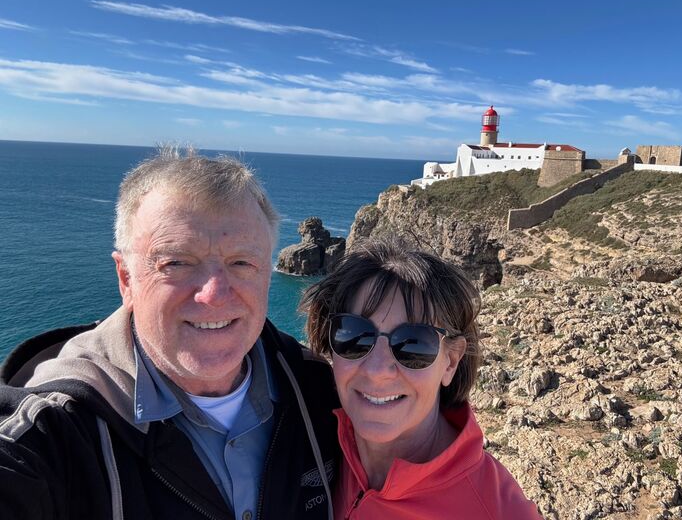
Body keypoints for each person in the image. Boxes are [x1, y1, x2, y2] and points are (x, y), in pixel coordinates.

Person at [0, 147, 339, 520]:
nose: (213, 294)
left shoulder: (320, 390)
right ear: (126, 279)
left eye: (241, 262)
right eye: (176, 262)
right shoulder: (57, 428)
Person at [301, 238, 542, 519]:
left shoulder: (497, 511)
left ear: (451, 361)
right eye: (354, 336)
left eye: (413, 343)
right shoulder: (308, 432)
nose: (378, 369)